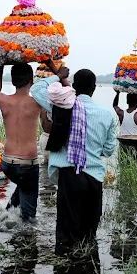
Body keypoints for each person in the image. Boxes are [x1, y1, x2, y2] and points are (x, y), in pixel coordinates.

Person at [31, 61, 118, 254]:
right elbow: (109, 150)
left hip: (70, 175)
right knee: (89, 232)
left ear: (74, 87)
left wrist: (57, 75)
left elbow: (36, 89)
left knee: (66, 233)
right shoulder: (106, 114)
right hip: (94, 177)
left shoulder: (62, 106)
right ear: (94, 88)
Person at [0, 64, 41, 222]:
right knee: (29, 220)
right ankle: (25, 239)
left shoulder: (4, 100)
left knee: (23, 186)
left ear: (12, 81)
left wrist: (0, 69)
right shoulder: (37, 103)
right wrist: (53, 70)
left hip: (7, 164)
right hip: (27, 165)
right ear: (31, 81)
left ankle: (6, 215)